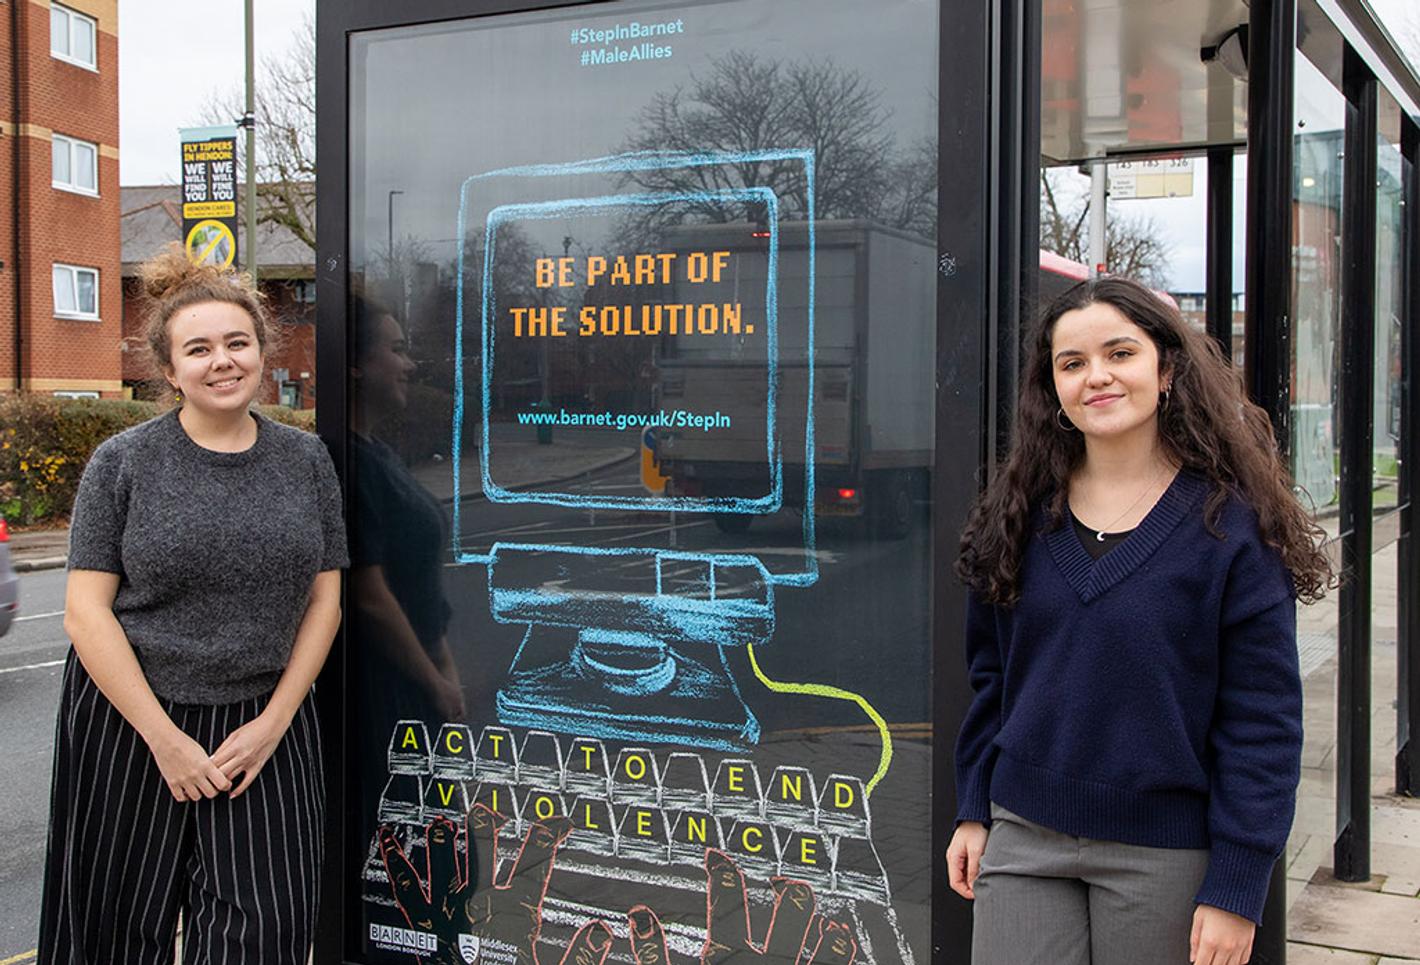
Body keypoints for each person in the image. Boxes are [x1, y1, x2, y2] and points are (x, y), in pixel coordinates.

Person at [945, 277, 1332, 965]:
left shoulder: (1232, 530)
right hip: (1023, 837)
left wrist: (1238, 883)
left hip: (1166, 852)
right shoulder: (1018, 516)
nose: (1097, 376)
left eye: (1119, 353)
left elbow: (1263, 720)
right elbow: (991, 678)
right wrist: (974, 806)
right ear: (1053, 388)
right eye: (1072, 363)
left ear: (1166, 370)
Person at [38, 245, 348, 965]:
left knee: (262, 932)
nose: (222, 361)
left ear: (262, 353)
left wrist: (275, 723)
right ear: (169, 369)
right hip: (129, 722)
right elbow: (86, 614)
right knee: (114, 931)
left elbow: (325, 600)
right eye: (199, 348)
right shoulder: (123, 462)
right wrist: (165, 739)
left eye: (237, 342)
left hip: (262, 729)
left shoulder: (306, 462)